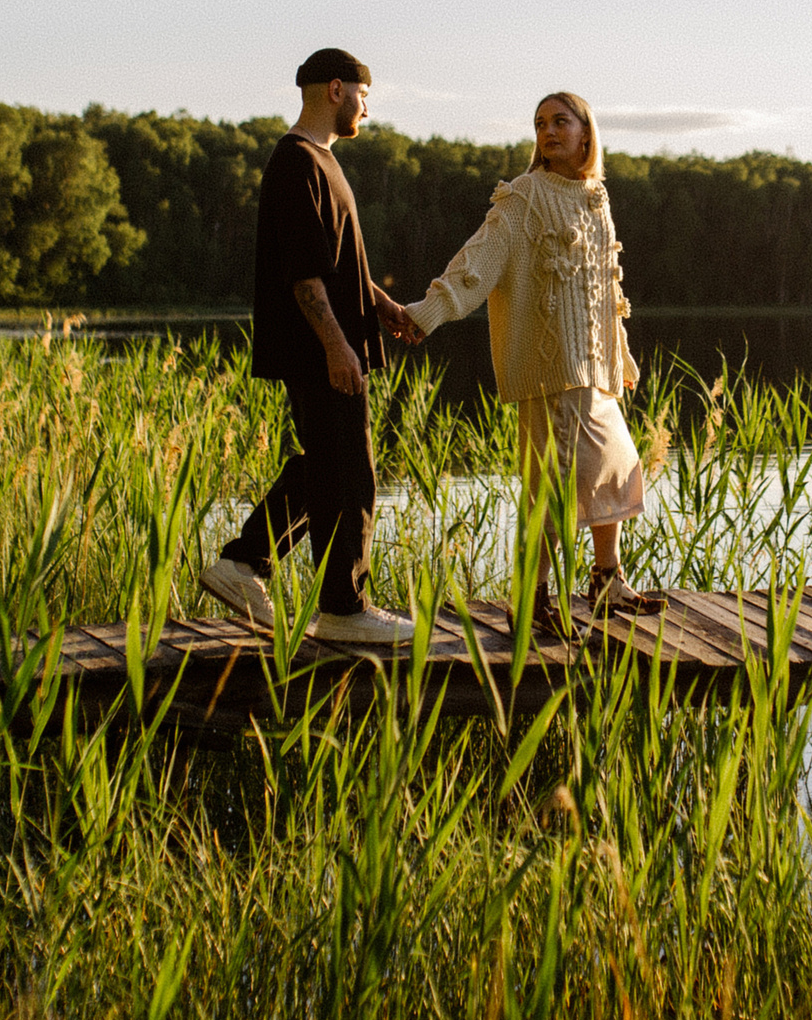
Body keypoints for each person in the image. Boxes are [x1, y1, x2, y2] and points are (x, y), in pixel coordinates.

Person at [404, 91, 664, 626]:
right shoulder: (525, 195)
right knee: (552, 487)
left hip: (594, 370)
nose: (548, 131)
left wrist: (623, 357)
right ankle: (533, 599)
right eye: (541, 123)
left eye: (560, 122)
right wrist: (428, 311)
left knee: (616, 470)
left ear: (586, 133)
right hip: (551, 372)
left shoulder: (596, 197)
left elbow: (604, 288)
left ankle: (607, 581)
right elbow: (479, 260)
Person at [200, 49, 425, 644]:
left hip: (332, 344)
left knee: (328, 465)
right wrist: (336, 345)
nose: (367, 108)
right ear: (335, 89)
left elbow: (339, 262)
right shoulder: (296, 163)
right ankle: (343, 610)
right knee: (352, 473)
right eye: (364, 94)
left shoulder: (320, 162)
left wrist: (383, 307)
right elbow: (304, 276)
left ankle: (244, 564)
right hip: (318, 349)